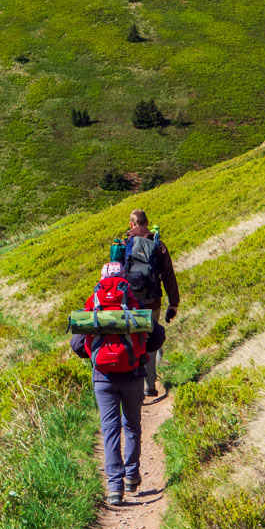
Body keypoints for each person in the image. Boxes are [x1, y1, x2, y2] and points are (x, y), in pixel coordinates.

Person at [70, 261, 166, 506]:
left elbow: (78, 345)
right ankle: (132, 475)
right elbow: (157, 335)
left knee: (109, 429)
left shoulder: (94, 305)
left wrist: (95, 355)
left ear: (101, 280)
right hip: (133, 374)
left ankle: (115, 487)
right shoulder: (134, 304)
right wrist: (142, 353)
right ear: (125, 280)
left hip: (102, 378)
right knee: (132, 425)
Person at [123, 208, 179, 396]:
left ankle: (132, 385)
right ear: (147, 223)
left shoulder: (125, 244)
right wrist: (173, 303)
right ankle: (150, 385)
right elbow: (168, 276)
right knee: (150, 339)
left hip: (130, 302)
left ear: (131, 224)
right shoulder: (157, 244)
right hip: (152, 300)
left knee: (131, 339)